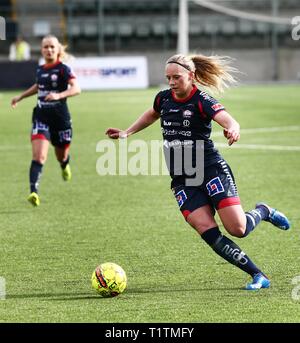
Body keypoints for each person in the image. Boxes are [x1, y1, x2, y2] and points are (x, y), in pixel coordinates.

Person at [106, 53, 290, 290]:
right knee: (206, 229)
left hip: (211, 170)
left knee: (238, 229)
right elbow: (152, 113)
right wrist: (127, 132)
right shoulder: (163, 99)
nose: (171, 82)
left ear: (191, 76)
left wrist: (233, 129)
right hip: (182, 178)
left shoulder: (202, 100)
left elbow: (228, 120)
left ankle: (263, 211)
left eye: (176, 77)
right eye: (168, 78)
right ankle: (257, 275)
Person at [11, 34, 81, 206]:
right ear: (41, 50)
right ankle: (33, 192)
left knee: (61, 154)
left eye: (52, 47)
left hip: (60, 119)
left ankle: (64, 164)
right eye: (45, 47)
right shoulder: (40, 69)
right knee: (39, 156)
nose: (49, 50)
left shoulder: (64, 69)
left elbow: (76, 88)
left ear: (57, 50)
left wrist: (59, 95)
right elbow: (39, 86)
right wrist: (21, 97)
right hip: (41, 117)